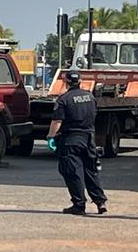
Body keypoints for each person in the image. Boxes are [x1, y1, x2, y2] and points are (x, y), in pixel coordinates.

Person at [47, 71, 108, 215]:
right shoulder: (90, 97)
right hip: (88, 138)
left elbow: (57, 121)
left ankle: (79, 205)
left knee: (72, 172)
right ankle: (100, 202)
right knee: (90, 170)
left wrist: (51, 137)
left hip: (71, 140)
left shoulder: (64, 99)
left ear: (66, 82)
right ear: (80, 81)